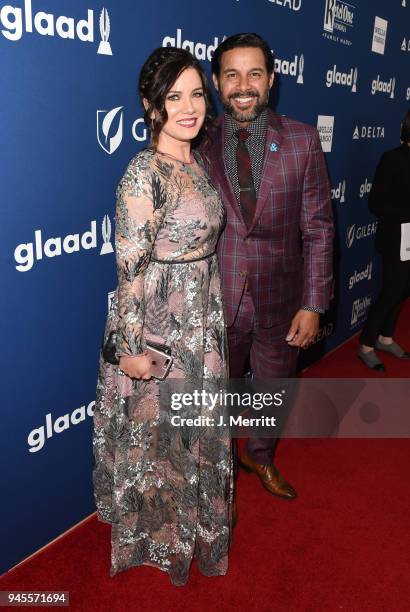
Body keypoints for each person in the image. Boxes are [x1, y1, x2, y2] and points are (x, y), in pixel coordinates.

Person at [92, 47, 234, 587]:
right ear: (151, 105)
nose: (190, 107)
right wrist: (131, 349)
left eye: (197, 93)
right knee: (163, 442)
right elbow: (129, 270)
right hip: (159, 328)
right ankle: (163, 539)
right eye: (175, 97)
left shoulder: (196, 161)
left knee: (194, 432)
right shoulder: (142, 173)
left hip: (202, 319)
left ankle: (196, 528)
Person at [201, 33, 334, 498]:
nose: (243, 85)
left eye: (254, 73)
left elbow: (318, 228)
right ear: (217, 82)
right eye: (232, 74)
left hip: (281, 298)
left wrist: (314, 303)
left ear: (271, 79)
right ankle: (221, 480)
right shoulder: (197, 141)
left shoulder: (302, 140)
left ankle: (261, 457)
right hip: (215, 299)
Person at [358, 109, 410, 371]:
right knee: (392, 290)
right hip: (395, 237)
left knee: (403, 290)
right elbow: (376, 202)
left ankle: (385, 337)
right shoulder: (393, 158)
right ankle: (366, 345)